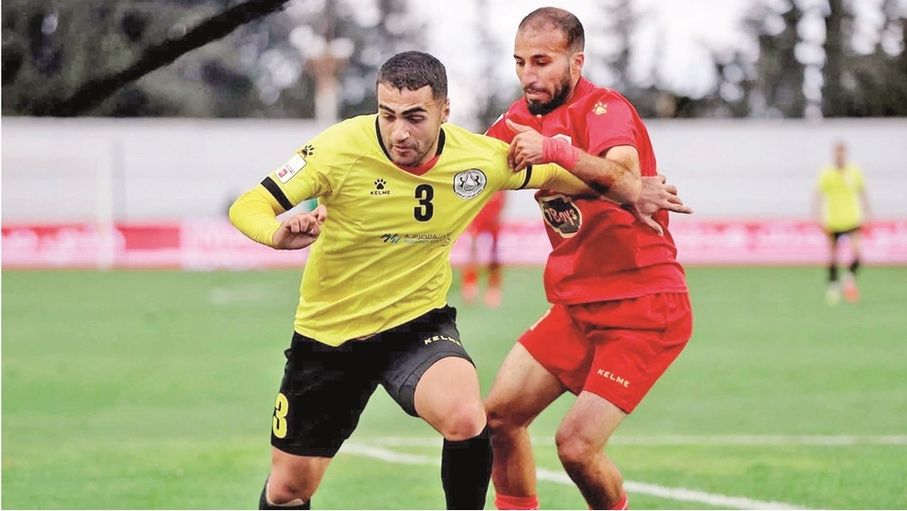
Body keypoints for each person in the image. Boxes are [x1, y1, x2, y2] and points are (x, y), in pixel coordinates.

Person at [229, 50, 660, 510]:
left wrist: (632, 190)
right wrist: (277, 233)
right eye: (388, 115)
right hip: (329, 337)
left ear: (444, 111)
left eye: (415, 117)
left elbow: (565, 175)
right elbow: (248, 205)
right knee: (290, 490)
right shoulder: (338, 148)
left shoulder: (480, 159)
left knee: (466, 415)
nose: (399, 132)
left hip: (415, 325)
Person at [482, 8, 694, 510]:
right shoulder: (515, 121)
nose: (528, 75)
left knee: (576, 447)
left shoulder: (605, 109)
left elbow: (625, 177)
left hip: (644, 306)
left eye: (542, 61)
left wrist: (554, 151)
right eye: (520, 62)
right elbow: (463, 166)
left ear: (576, 62)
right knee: (499, 418)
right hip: (577, 307)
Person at [813, 141, 871, 305]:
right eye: (837, 153)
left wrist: (868, 210)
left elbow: (862, 191)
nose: (840, 156)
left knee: (858, 254)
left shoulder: (854, 172)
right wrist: (817, 213)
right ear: (834, 155)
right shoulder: (827, 173)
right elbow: (818, 193)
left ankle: (848, 278)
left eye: (842, 153)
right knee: (833, 255)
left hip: (852, 219)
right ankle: (832, 286)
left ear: (845, 154)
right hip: (833, 220)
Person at [461, 192, 507, 307]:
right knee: (473, 248)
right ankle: (470, 284)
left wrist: (500, 209)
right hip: (478, 211)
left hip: (494, 211)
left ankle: (493, 287)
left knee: (494, 252)